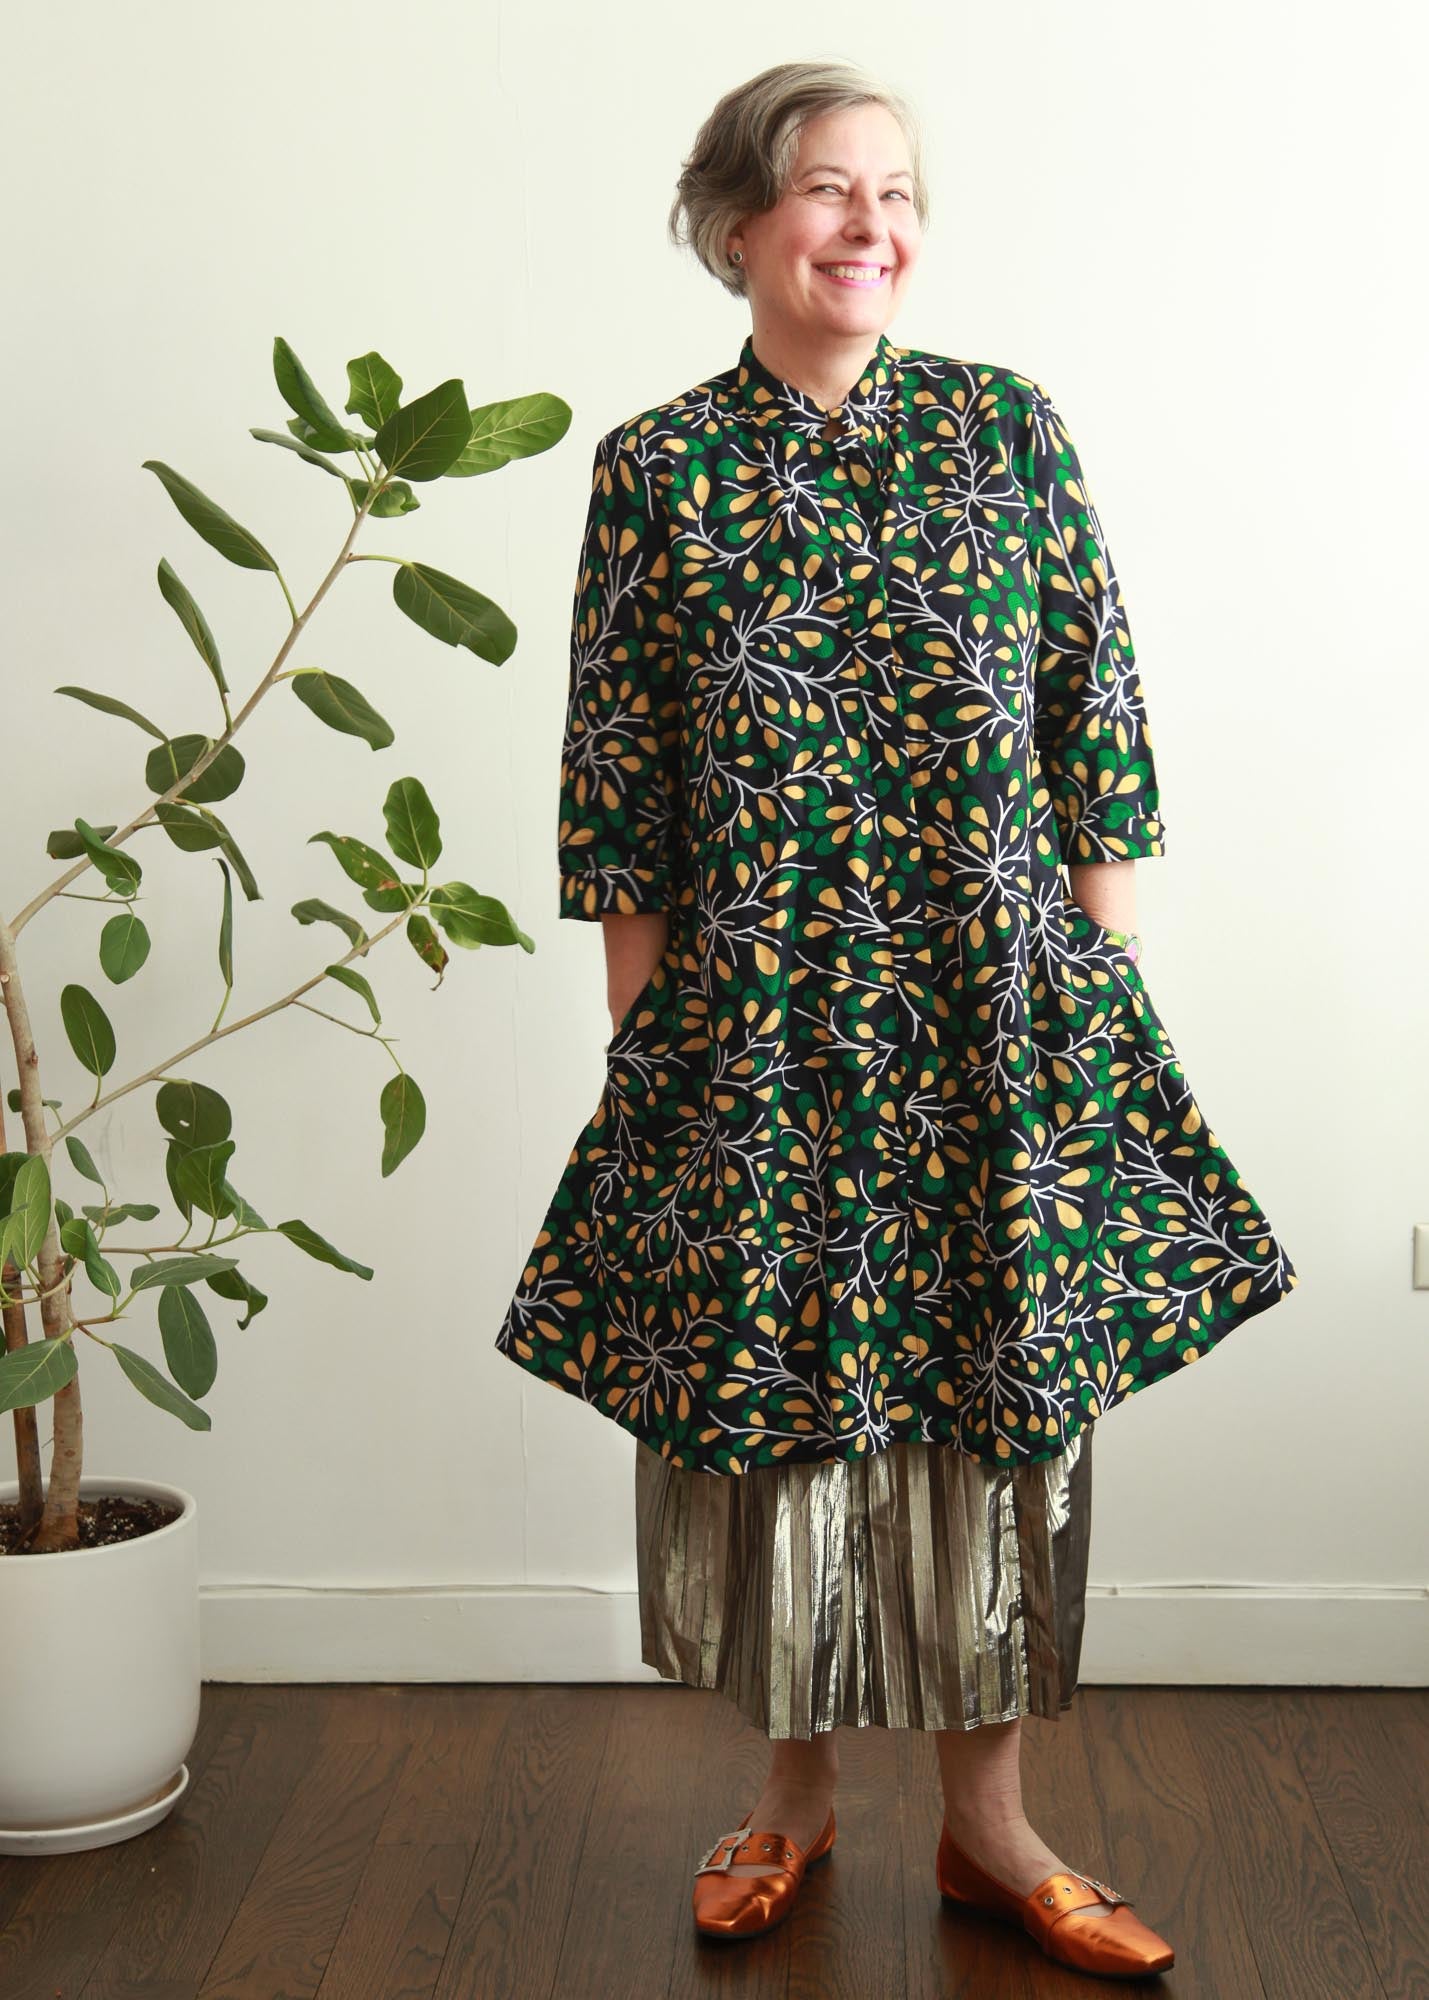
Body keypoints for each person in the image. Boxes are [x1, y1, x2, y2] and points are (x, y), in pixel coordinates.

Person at [494, 57, 1299, 1979]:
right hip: (757, 1028)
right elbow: (618, 776)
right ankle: (788, 1803)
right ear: (735, 228)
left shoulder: (1007, 430)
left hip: (989, 1018)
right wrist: (646, 1043)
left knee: (1001, 1406)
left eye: (898, 192)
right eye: (828, 190)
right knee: (773, 1407)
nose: (872, 225)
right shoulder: (657, 467)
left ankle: (989, 1830)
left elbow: (1095, 713)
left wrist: (1091, 985)